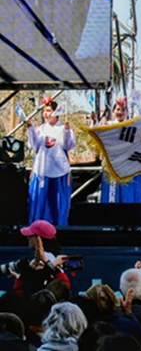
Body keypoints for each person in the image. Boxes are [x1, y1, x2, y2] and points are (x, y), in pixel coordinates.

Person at [27, 97, 76, 226]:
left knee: (58, 201)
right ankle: (38, 226)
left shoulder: (63, 129)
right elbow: (35, 146)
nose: (46, 114)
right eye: (44, 111)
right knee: (41, 201)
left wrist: (66, 131)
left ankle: (59, 226)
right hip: (42, 170)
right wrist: (30, 129)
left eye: (49, 111)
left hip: (59, 171)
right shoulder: (41, 129)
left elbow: (68, 145)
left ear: (56, 112)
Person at [0, 220, 70, 298]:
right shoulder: (52, 256)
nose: (27, 238)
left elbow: (33, 286)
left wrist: (22, 278)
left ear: (38, 239)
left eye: (31, 236)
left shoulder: (46, 258)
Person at [98, 98, 141, 203]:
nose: (120, 112)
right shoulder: (108, 126)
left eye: (123, 110)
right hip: (112, 167)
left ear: (127, 112)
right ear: (113, 111)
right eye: (118, 109)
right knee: (111, 198)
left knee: (127, 197)